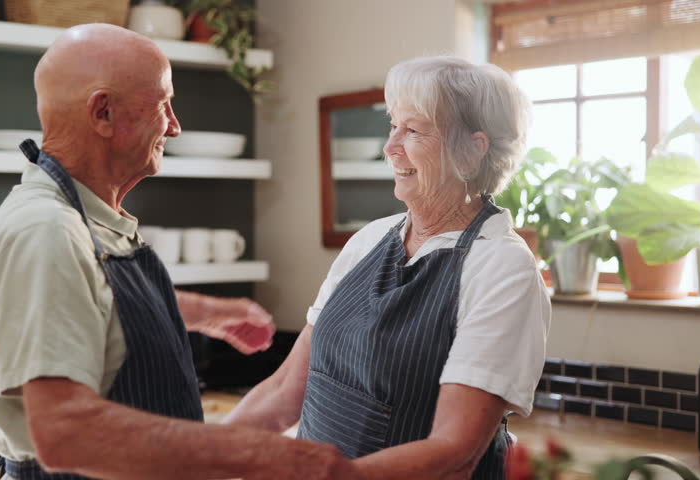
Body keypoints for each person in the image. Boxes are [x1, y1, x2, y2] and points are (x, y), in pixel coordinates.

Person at [0, 24, 361, 480]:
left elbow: (93, 302)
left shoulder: (85, 218)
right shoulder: (48, 230)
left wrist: (205, 312)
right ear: (103, 113)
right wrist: (258, 454)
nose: (174, 126)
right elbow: (64, 432)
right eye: (164, 104)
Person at [223, 56, 551, 479]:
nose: (390, 146)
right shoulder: (370, 240)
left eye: (413, 130)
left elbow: (455, 453)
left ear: (472, 151)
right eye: (392, 126)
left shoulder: (502, 268)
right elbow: (287, 392)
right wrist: (192, 456)